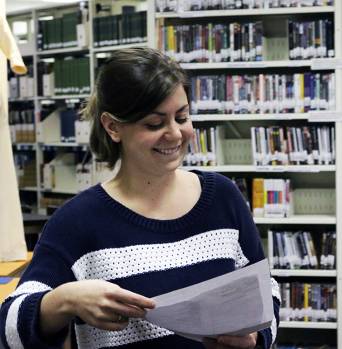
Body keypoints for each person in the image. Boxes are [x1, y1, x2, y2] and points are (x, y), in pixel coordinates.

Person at [0, 47, 280, 349]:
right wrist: (64, 300)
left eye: (182, 117)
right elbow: (8, 330)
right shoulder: (77, 222)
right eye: (154, 124)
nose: (174, 134)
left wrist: (257, 339)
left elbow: (266, 289)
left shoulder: (223, 198)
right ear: (112, 127)